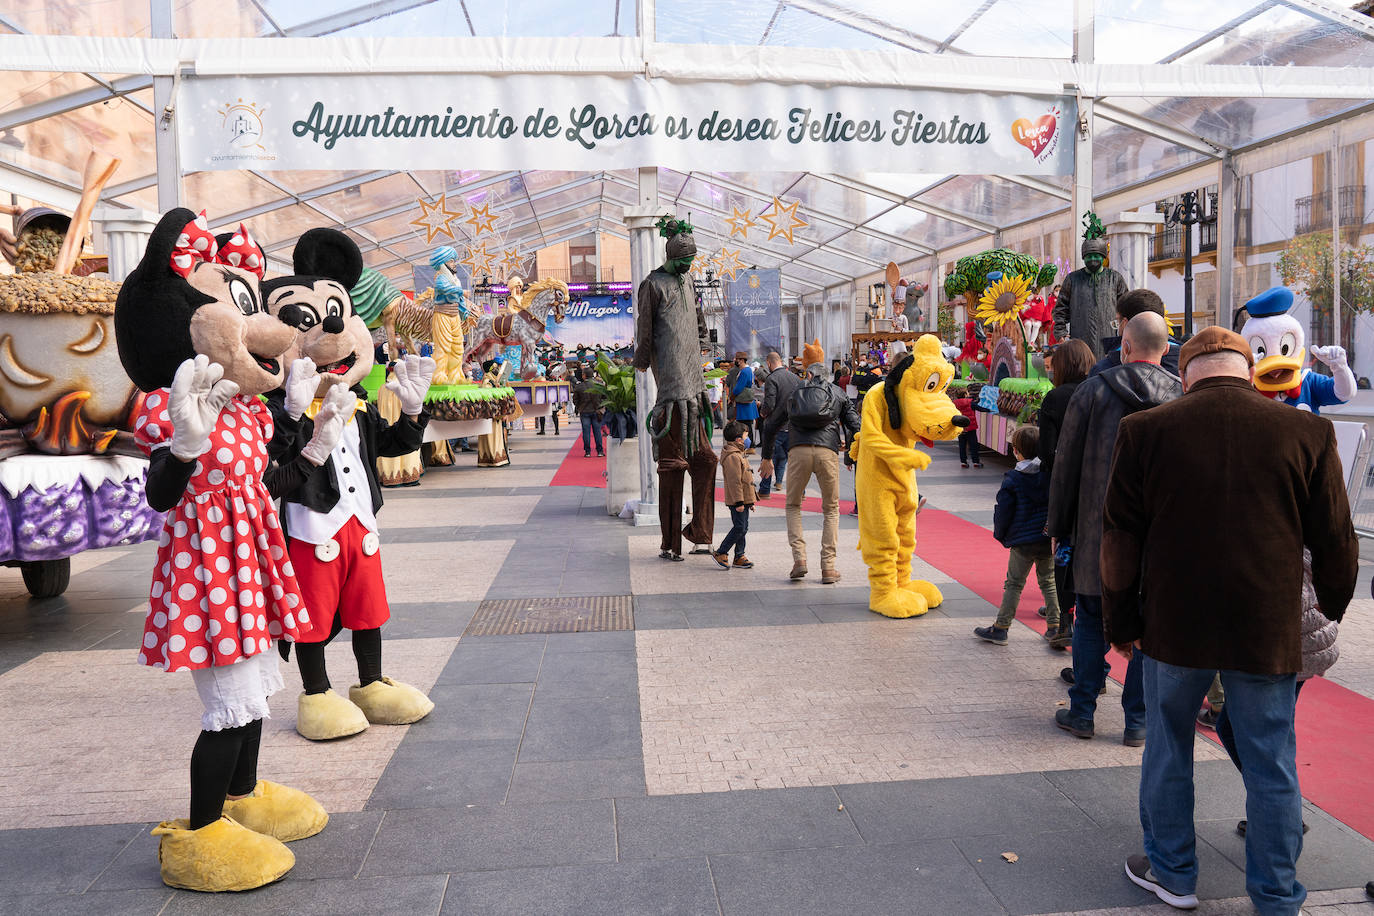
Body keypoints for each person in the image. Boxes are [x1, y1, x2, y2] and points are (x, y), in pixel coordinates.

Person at [1101, 326, 1358, 914]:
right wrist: (1331, 608)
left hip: (1172, 622)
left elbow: (1119, 539)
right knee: (1272, 757)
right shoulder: (1307, 430)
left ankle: (1174, 873)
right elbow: (1338, 542)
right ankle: (1275, 893)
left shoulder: (1145, 430)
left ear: (1185, 373)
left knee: (1168, 745)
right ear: (1247, 369)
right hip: (1267, 625)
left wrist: (1123, 620)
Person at [1047, 311, 1180, 745]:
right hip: (1157, 537)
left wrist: (1057, 526)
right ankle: (1137, 721)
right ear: (1165, 350)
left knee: (1088, 617)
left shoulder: (1092, 392)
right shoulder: (1181, 396)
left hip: (1095, 530)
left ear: (1123, 346)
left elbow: (1065, 465)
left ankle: (1083, 710)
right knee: (1145, 625)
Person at [633, 217, 717, 561]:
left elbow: (697, 321)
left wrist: (702, 345)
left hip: (694, 388)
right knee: (672, 468)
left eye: (691, 260)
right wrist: (640, 360)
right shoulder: (652, 284)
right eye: (683, 260)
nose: (688, 265)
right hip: (670, 392)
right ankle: (670, 542)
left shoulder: (688, 282)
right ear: (670, 255)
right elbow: (645, 329)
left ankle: (699, 531)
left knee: (707, 460)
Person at [760, 339, 862, 584]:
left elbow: (771, 424)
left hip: (798, 452)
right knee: (831, 509)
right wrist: (851, 455)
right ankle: (828, 567)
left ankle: (799, 560)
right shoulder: (836, 392)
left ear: (807, 373)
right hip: (827, 453)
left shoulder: (796, 393)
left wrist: (766, 457)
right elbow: (855, 425)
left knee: (793, 505)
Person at [975, 426, 1059, 645]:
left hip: (1023, 541)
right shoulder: (1051, 476)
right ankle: (1055, 626)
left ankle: (1001, 628)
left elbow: (1004, 511)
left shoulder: (1013, 478)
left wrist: (1001, 535)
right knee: (1049, 582)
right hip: (1046, 538)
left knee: (1014, 584)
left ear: (1017, 450)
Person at [1038, 338, 1094, 650]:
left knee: (1063, 551)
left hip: (1064, 490)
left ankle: (1065, 618)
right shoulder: (1100, 390)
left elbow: (1047, 452)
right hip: (1099, 486)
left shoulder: (1056, 397)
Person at [1053, 214, 1130, 359]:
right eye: (1089, 255)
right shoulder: (1072, 279)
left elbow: (1127, 308)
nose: (1093, 259)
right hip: (1080, 343)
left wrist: (1126, 334)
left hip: (1110, 344)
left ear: (1103, 256)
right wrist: (1061, 334)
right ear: (1084, 257)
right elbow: (1060, 309)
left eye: (1096, 255)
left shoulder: (1115, 278)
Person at [1090, 289, 1181, 377]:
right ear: (1166, 348)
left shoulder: (1103, 370)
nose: (1117, 327)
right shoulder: (1186, 363)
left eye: (1118, 321)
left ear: (1125, 324)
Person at [712, 420, 756, 570]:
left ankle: (739, 556)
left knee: (744, 527)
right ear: (738, 439)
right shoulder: (732, 456)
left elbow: (746, 479)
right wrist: (739, 502)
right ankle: (721, 552)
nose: (748, 439)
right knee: (739, 528)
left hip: (744, 499)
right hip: (737, 501)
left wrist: (750, 500)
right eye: (746, 436)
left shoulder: (739, 453)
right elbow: (735, 482)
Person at [758, 350, 800, 498]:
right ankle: (801, 491)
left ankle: (764, 490)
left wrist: (763, 412)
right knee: (795, 461)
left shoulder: (772, 378)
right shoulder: (795, 378)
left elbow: (770, 402)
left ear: (769, 363)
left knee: (768, 457)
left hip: (776, 426)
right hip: (793, 425)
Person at [571, 367, 605, 458]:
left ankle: (587, 452)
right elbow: (604, 397)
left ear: (584, 375)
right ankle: (600, 451)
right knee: (597, 431)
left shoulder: (579, 386)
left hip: (584, 411)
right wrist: (601, 406)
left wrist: (579, 407)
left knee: (586, 432)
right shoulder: (599, 385)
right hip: (597, 411)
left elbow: (575, 400)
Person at [731, 356, 759, 440]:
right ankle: (750, 444)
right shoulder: (748, 370)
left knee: (744, 424)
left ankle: (749, 444)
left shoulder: (744, 371)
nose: (735, 361)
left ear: (742, 360)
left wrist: (732, 396)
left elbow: (739, 387)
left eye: (737, 359)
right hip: (747, 400)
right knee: (747, 424)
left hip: (744, 401)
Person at [952, 393, 981, 469]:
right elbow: (980, 408)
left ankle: (963, 462)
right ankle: (976, 462)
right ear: (965, 395)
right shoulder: (970, 402)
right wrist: (990, 409)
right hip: (970, 427)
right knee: (973, 445)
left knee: (962, 445)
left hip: (960, 427)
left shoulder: (954, 404)